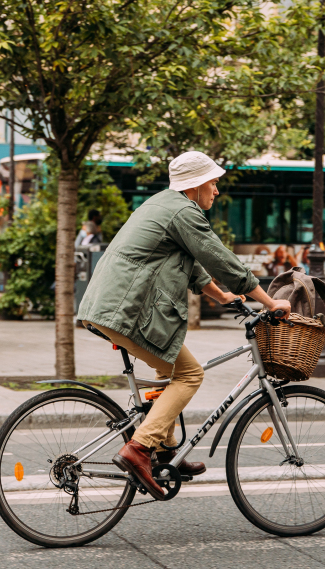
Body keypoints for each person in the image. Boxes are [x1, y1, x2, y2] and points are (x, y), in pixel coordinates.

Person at [77, 151, 292, 501]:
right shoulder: (183, 211)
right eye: (214, 182)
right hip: (126, 310)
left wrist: (222, 296)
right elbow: (217, 256)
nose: (217, 191)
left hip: (109, 307)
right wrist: (269, 302)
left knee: (169, 369)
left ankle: (165, 453)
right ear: (195, 184)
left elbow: (189, 263)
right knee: (190, 374)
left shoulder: (162, 205)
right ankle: (140, 448)